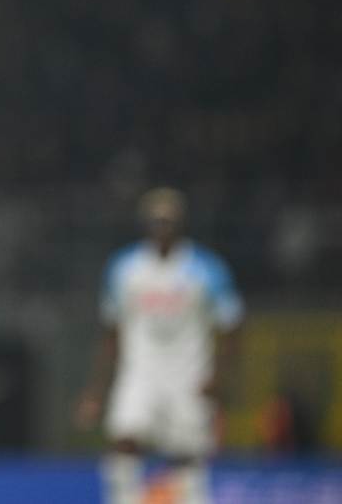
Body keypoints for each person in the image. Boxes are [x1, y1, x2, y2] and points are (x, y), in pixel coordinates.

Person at [76, 187, 243, 504]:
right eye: (155, 221)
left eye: (167, 221)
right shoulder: (125, 268)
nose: (161, 228)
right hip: (140, 369)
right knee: (124, 438)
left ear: (180, 224)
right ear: (145, 224)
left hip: (189, 373)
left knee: (188, 451)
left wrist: (219, 376)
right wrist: (96, 389)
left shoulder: (207, 269)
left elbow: (231, 326)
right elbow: (112, 330)